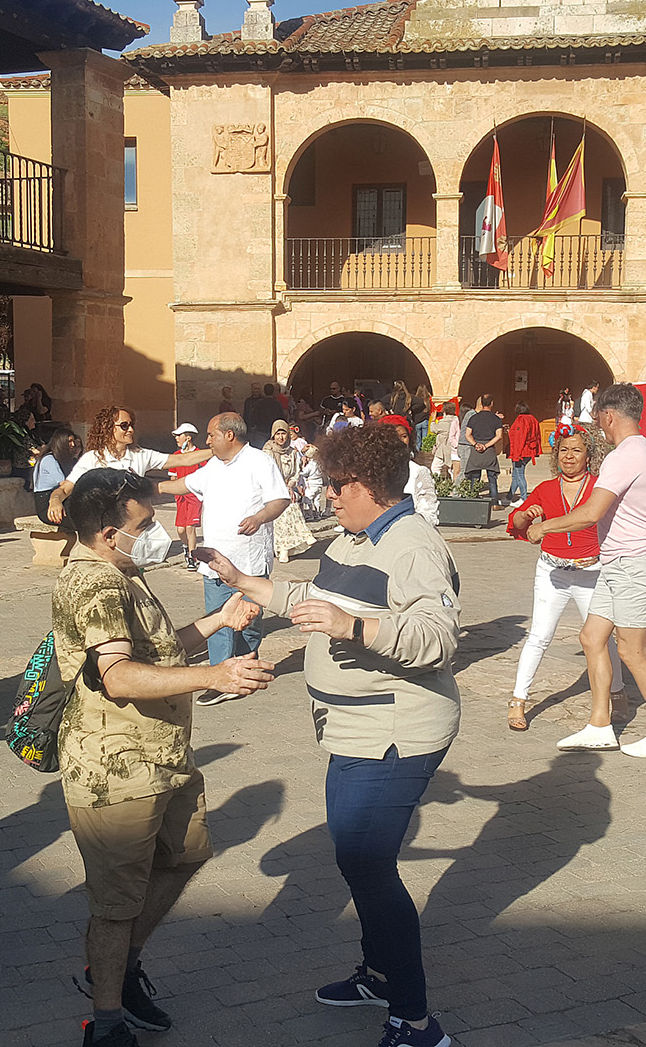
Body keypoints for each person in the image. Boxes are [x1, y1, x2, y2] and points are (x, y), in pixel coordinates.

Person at [199, 424, 462, 1047]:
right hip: (350, 729)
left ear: (370, 484)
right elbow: (312, 595)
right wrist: (243, 582)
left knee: (367, 863)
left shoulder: (413, 545)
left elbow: (439, 637)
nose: (327, 494)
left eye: (336, 483)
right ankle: (378, 973)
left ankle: (417, 1020)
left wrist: (355, 627)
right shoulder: (352, 538)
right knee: (355, 858)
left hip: (397, 730)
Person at [52, 469, 271, 1047]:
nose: (158, 530)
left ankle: (120, 970)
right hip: (116, 769)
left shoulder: (122, 571)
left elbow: (154, 648)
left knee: (183, 858)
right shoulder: (93, 584)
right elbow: (119, 675)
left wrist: (218, 622)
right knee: (116, 903)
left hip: (162, 755)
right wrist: (217, 674)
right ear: (106, 532)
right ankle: (105, 1023)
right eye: (144, 523)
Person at [527, 383, 646, 757]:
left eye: (599, 418)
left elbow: (591, 512)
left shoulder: (624, 455)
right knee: (592, 637)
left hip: (633, 563)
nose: (599, 425)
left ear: (609, 415)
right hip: (617, 562)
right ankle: (599, 725)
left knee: (632, 650)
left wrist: (545, 526)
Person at [157, 413, 289, 706]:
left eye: (211, 435)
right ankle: (221, 677)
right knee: (217, 617)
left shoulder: (259, 462)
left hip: (249, 562)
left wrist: (259, 517)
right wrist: (154, 489)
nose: (207, 441)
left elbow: (280, 499)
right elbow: (187, 484)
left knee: (249, 620)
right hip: (214, 560)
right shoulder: (212, 466)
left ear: (230, 435)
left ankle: (246, 667)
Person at [505, 427, 617, 733]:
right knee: (539, 636)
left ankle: (616, 694)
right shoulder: (545, 488)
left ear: (589, 456)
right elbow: (516, 521)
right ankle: (518, 699)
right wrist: (525, 517)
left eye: (576, 450)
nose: (569, 457)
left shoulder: (599, 488)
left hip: (591, 573)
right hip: (552, 573)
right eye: (564, 450)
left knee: (601, 640)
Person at [46, 408, 211, 525]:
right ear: (108, 429)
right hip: (103, 528)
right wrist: (55, 501)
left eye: (132, 425)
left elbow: (183, 460)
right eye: (124, 426)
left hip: (135, 527)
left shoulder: (140, 455)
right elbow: (65, 489)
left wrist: (215, 451)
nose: (130, 429)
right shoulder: (91, 459)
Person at [264, 419, 318, 564]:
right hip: (272, 489)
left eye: (283, 434)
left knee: (288, 511)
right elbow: (268, 474)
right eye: (278, 434)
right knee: (285, 511)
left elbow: (295, 472)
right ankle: (303, 534)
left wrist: (290, 486)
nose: (281, 437)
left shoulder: (292, 452)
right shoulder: (267, 452)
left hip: (287, 488)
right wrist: (283, 488)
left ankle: (285, 549)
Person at [165, 423, 205, 571]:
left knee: (190, 527)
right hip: (180, 497)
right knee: (181, 529)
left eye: (179, 435)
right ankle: (186, 546)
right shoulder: (175, 456)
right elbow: (173, 477)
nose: (176, 438)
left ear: (188, 437)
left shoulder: (199, 454)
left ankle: (192, 556)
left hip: (194, 496)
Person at [462, 395, 505, 506]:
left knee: (475, 477)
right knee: (492, 477)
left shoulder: (473, 418)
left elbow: (467, 434)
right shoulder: (496, 419)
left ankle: (473, 500)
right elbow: (499, 435)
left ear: (481, 403)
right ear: (491, 403)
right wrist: (486, 446)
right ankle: (494, 503)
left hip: (476, 450)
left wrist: (476, 444)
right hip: (489, 449)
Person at [35, 427, 84, 524]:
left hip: (63, 497)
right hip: (47, 501)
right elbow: (64, 483)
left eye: (73, 441)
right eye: (70, 441)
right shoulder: (49, 459)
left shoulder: (67, 460)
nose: (73, 444)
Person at [505, 402, 541, 502]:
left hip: (521, 451)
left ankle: (524, 498)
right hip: (529, 450)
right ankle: (509, 496)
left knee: (519, 474)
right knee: (516, 474)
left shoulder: (521, 420)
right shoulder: (533, 419)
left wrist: (516, 454)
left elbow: (519, 438)